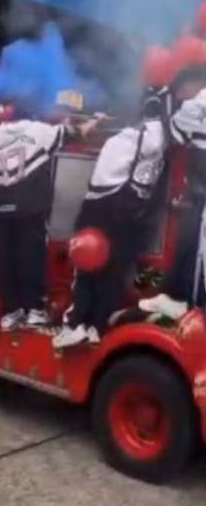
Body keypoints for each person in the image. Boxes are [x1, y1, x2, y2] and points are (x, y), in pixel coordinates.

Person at [53, 106, 169, 349]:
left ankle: (76, 327)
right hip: (133, 218)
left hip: (101, 210)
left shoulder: (118, 141)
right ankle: (97, 327)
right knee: (113, 276)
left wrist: (97, 122)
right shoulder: (161, 142)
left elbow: (98, 180)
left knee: (86, 268)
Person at [0, 110, 100, 331]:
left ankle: (10, 313)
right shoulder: (39, 130)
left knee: (6, 262)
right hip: (29, 209)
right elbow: (74, 133)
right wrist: (93, 121)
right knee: (32, 258)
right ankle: (34, 310)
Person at [141, 64, 206, 319]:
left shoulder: (195, 106)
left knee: (197, 253)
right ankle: (177, 297)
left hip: (202, 198)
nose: (181, 95)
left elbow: (172, 135)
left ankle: (190, 307)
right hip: (198, 197)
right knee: (188, 243)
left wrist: (159, 99)